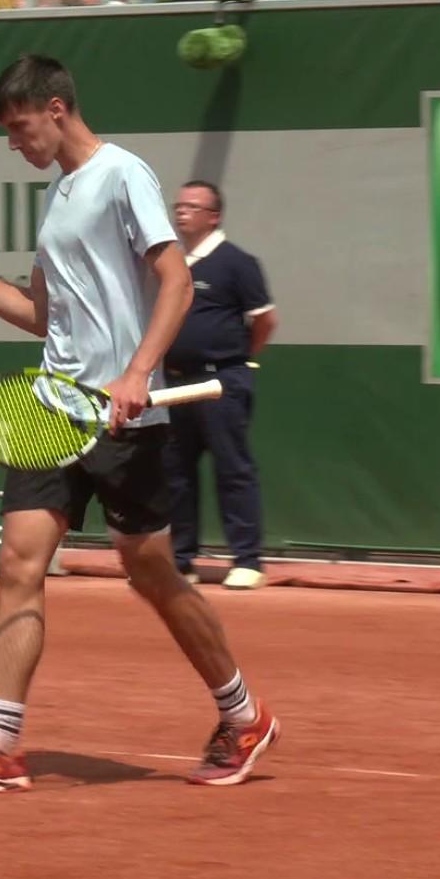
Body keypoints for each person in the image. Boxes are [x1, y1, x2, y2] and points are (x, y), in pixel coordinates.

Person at [0, 55, 278, 793]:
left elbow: (175, 278)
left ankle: (243, 716)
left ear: (55, 108)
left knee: (150, 571)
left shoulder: (123, 175)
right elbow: (42, 319)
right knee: (18, 562)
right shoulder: (58, 202)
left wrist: (139, 370)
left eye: (20, 130)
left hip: (122, 420)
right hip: (55, 411)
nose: (16, 146)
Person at [163, 181, 276, 591]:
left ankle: (248, 561)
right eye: (178, 206)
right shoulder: (169, 262)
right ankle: (180, 560)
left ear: (214, 216)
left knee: (233, 470)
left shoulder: (238, 263)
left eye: (192, 207)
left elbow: (264, 321)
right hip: (174, 383)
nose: (181, 213)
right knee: (175, 473)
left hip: (222, 380)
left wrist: (240, 360)